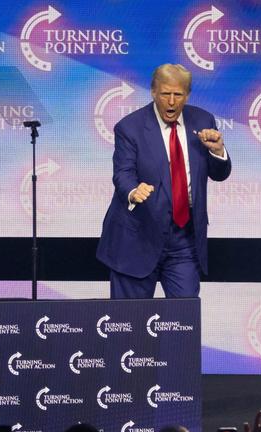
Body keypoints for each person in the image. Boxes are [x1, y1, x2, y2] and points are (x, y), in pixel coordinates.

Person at [97, 63, 232, 298]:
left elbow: (219, 174)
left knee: (183, 321)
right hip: (137, 237)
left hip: (184, 241)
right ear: (153, 92)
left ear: (187, 95)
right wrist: (132, 191)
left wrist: (218, 151)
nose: (171, 101)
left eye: (177, 95)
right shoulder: (130, 128)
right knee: (129, 324)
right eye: (165, 94)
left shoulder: (203, 120)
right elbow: (123, 173)